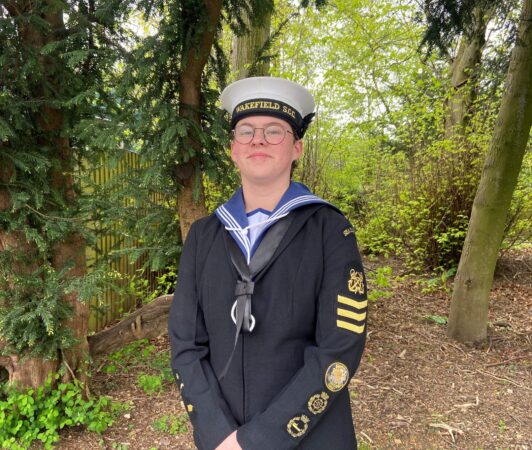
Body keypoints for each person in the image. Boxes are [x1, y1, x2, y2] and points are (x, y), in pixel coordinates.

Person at [168, 77, 367, 450]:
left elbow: (339, 349)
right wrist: (215, 433)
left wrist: (258, 441)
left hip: (309, 436)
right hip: (221, 438)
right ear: (232, 150)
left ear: (296, 148)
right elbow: (185, 343)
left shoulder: (330, 230)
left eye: (274, 131)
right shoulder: (203, 236)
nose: (257, 139)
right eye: (246, 131)